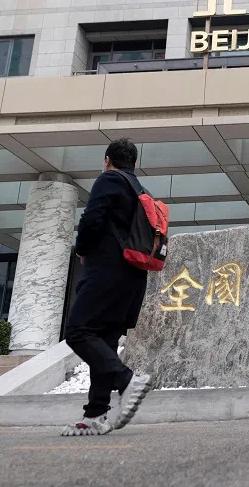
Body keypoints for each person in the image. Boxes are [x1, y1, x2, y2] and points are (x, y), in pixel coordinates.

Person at [61, 138, 153, 436]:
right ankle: (95, 415)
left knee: (78, 331)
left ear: (107, 160)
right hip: (134, 276)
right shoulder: (140, 190)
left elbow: (91, 219)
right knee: (105, 339)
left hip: (107, 271)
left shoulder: (109, 179)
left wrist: (82, 249)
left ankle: (126, 379)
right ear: (134, 163)